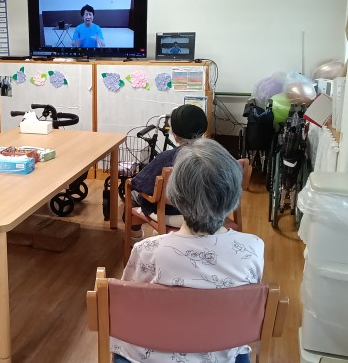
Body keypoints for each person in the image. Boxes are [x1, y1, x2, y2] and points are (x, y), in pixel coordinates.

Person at [112, 138, 264, 363]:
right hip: (220, 353)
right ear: (235, 195)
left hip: (154, 354)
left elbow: (129, 303)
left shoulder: (147, 250)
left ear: (174, 195)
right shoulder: (253, 248)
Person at [129, 104, 207, 237]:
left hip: (176, 215)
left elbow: (139, 183)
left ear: (175, 135)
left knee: (133, 194)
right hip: (210, 212)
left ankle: (134, 236)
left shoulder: (168, 158)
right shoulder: (217, 156)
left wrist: (133, 183)